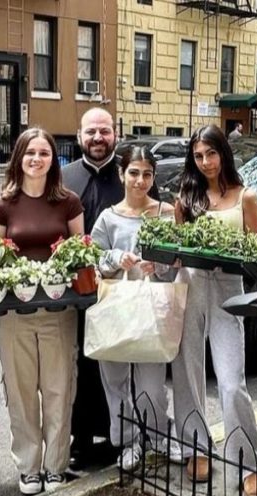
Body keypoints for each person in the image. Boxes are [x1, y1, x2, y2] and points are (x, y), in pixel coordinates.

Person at [168, 124, 257, 496]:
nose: (206, 161)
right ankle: (196, 447)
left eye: (211, 153)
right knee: (187, 372)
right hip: (191, 284)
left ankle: (247, 460)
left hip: (229, 287)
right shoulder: (186, 199)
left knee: (230, 381)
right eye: (198, 155)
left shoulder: (246, 197)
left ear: (223, 153)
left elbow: (255, 252)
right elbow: (180, 249)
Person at [0, 127, 85, 495]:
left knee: (59, 389)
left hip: (58, 311)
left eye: (44, 153)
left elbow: (80, 252)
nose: (37, 159)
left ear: (53, 160)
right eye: (30, 153)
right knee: (20, 390)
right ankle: (29, 467)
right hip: (14, 313)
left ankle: (55, 466)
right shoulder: (4, 205)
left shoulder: (68, 202)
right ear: (19, 158)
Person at [61, 108, 148, 468]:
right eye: (91, 132)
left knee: (121, 367)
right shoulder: (64, 178)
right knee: (82, 364)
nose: (98, 138)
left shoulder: (129, 174)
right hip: (79, 291)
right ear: (79, 136)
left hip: (123, 292)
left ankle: (123, 436)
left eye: (105, 131)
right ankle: (81, 437)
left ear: (115, 134)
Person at [89, 146, 176, 470]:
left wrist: (160, 265)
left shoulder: (166, 213)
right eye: (134, 173)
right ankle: (128, 442)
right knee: (115, 382)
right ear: (121, 174)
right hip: (116, 308)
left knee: (152, 384)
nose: (140, 181)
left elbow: (177, 262)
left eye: (147, 174)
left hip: (153, 308)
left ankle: (159, 435)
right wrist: (115, 258)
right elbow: (93, 259)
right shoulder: (108, 218)